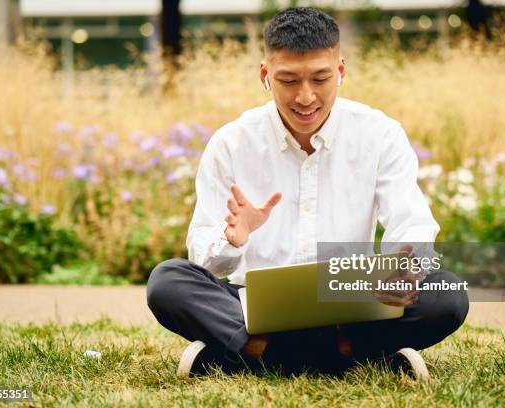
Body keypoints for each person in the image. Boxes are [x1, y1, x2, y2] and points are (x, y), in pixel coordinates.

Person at [147, 7, 469, 380]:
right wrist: (232, 240)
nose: (305, 97)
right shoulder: (231, 143)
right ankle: (353, 356)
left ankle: (250, 356)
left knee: (447, 294)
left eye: (320, 78)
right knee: (168, 281)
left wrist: (402, 268)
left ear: (342, 71)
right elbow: (205, 260)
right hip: (254, 305)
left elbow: (411, 224)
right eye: (288, 80)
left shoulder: (380, 134)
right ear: (265, 75)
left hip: (348, 301)